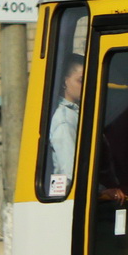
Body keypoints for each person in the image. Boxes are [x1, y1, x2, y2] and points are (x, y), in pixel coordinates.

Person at [46, 55, 83, 193]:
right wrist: (101, 191)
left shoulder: (77, 113)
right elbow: (70, 173)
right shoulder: (65, 120)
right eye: (80, 80)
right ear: (64, 82)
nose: (86, 85)